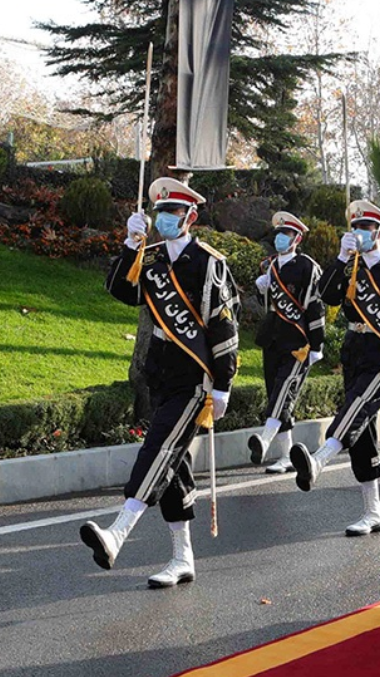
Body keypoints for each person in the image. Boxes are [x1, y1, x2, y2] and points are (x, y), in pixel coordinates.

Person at [87, 178, 239, 587]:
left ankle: (117, 533)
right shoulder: (151, 258)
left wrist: (222, 384)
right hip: (161, 373)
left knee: (158, 448)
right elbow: (120, 289)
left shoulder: (208, 263)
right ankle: (182, 557)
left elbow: (223, 327)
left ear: (190, 217)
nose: (164, 219)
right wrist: (129, 243)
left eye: (172, 213)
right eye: (160, 212)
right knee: (173, 464)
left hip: (195, 379)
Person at [290, 200, 380, 539]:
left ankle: (319, 461)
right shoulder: (350, 264)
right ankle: (372, 511)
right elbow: (326, 295)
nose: (361, 233)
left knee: (355, 408)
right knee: (361, 431)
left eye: (367, 228)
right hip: (355, 349)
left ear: (379, 232)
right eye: (356, 228)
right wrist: (339, 259)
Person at [250, 212, 326, 473]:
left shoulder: (307, 267)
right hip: (273, 338)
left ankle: (264, 439)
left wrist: (317, 346)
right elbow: (268, 306)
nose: (282, 238)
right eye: (279, 234)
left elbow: (315, 307)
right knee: (276, 394)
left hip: (299, 343)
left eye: (287, 234)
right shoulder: (270, 265)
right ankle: (285, 457)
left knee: (284, 391)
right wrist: (261, 288)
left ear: (298, 238)